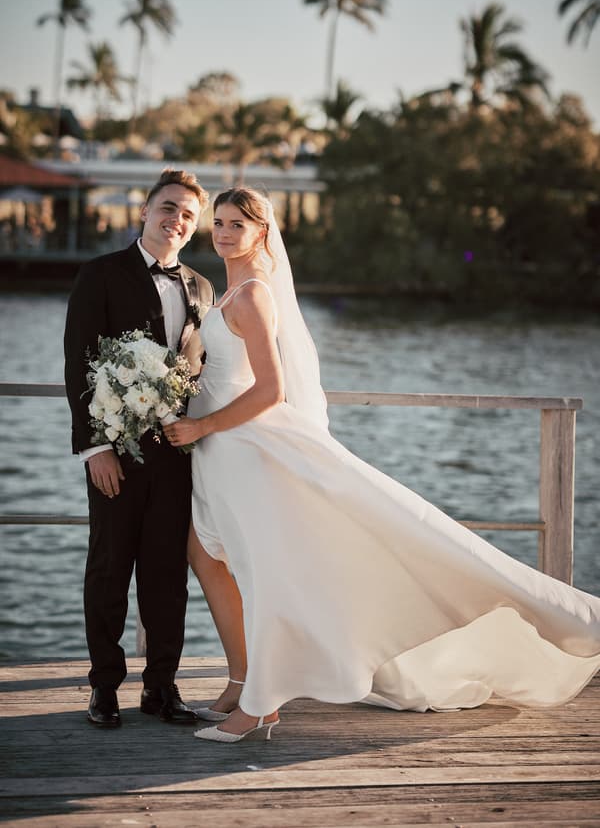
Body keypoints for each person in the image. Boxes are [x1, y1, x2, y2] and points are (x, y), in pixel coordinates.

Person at [163, 187, 600, 743]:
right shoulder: (228, 293)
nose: (223, 234)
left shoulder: (252, 295)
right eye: (219, 223)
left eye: (236, 225)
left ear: (262, 233)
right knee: (218, 558)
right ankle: (246, 683)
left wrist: (202, 426)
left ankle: (260, 706)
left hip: (245, 449)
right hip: (220, 455)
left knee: (261, 572)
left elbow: (270, 390)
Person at [64, 168, 214, 728]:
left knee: (166, 576)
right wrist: (95, 448)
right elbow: (78, 361)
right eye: (168, 207)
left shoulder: (203, 287)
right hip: (116, 451)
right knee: (109, 569)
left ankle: (161, 688)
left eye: (188, 215)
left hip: (178, 452)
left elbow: (201, 371)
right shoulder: (100, 274)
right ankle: (104, 688)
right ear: (145, 211)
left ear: (193, 227)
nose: (177, 219)